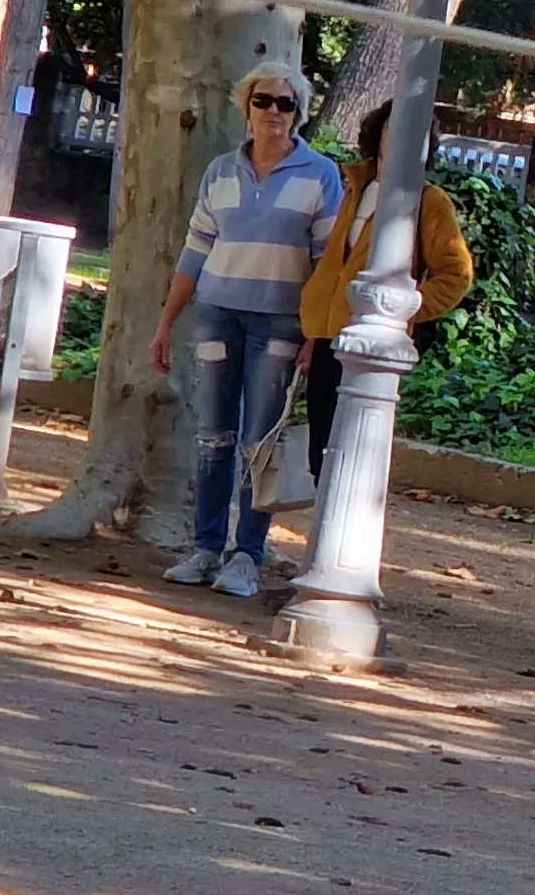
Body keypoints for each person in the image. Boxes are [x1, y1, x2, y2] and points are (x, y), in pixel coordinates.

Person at [150, 64, 342, 598]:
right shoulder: (220, 172)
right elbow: (195, 251)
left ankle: (247, 555)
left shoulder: (320, 174)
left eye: (286, 103)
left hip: (281, 322)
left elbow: (329, 264)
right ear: (246, 107)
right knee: (213, 435)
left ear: (299, 112)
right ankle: (205, 547)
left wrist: (316, 336)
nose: (274, 112)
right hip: (218, 314)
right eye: (264, 101)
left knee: (260, 442)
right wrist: (165, 323)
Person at [297, 96, 478, 488]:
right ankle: (322, 546)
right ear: (378, 131)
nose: (400, 137)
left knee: (352, 458)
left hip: (373, 346)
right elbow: (334, 264)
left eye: (414, 131)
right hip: (329, 339)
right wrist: (314, 335)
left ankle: (341, 547)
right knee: (321, 457)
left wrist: (401, 311)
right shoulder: (356, 187)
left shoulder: (430, 201)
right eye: (394, 126)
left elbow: (456, 274)